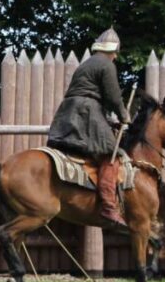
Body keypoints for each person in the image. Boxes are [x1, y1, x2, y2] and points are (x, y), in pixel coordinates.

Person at [46, 28, 130, 228]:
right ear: (112, 50)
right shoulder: (106, 65)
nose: (116, 56)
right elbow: (113, 97)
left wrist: (109, 121)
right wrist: (124, 116)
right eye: (116, 52)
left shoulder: (86, 64)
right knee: (111, 154)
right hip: (86, 112)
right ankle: (109, 206)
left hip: (69, 113)